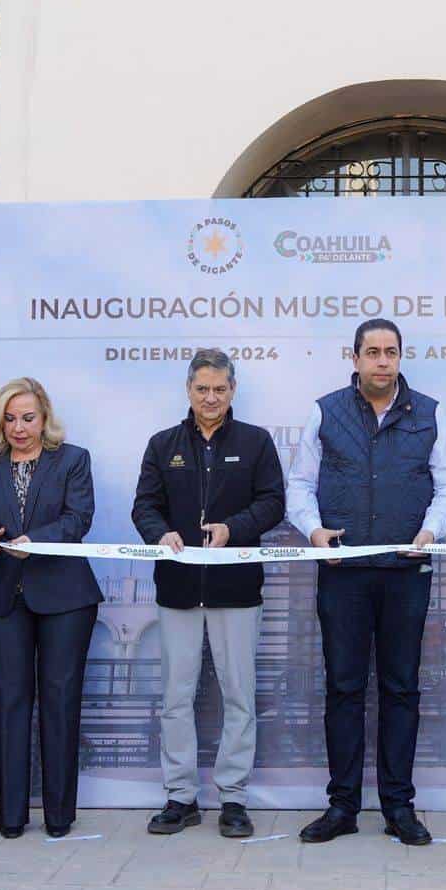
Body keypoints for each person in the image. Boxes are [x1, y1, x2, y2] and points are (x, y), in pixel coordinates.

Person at [286, 318, 446, 847]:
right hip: (342, 574)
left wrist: (431, 530)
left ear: (400, 357)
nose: (382, 361)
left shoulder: (430, 413)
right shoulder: (325, 411)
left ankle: (398, 807)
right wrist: (313, 530)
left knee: (400, 688)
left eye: (390, 352)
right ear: (356, 357)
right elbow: (300, 484)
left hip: (405, 572)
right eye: (372, 352)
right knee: (343, 688)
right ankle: (342, 807)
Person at [131, 349, 286, 839]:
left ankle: (234, 798)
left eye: (220, 389)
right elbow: (144, 506)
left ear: (233, 390)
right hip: (177, 589)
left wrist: (233, 529)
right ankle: (180, 796)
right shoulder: (163, 444)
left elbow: (273, 504)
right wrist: (161, 535)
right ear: (188, 390)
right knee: (176, 697)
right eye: (202, 389)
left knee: (239, 696)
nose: (211, 398)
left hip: (236, 589)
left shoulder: (257, 443)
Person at [0, 377, 102, 839]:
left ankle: (60, 816)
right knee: (9, 703)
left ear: (44, 417)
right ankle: (10, 816)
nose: (18, 428)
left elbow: (77, 519)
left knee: (60, 703)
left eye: (27, 417)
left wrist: (36, 542)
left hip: (65, 597)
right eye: (10, 418)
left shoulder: (73, 459)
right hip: (3, 598)